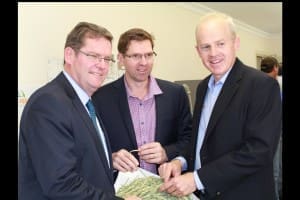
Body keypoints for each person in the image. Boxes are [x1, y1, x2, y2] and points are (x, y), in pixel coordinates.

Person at [158, 12, 282, 200]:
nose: (213, 53)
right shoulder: (202, 87)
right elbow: (200, 140)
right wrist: (180, 161)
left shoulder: (262, 85)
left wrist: (198, 178)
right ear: (198, 51)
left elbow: (259, 151)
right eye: (206, 47)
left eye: (220, 44)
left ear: (236, 43)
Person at [18, 22, 140, 200]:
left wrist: (108, 160)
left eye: (107, 59)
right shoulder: (48, 103)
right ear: (69, 55)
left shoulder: (85, 101)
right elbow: (61, 184)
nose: (102, 65)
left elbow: (80, 156)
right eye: (93, 56)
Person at [92, 28, 192, 175]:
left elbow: (190, 140)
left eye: (148, 55)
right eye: (136, 56)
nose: (144, 62)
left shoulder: (176, 94)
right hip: (122, 192)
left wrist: (167, 153)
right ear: (121, 59)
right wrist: (110, 158)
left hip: (167, 187)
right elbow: (91, 147)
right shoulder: (100, 98)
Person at [261, 56, 282, 200]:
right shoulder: (271, 84)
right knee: (274, 170)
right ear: (275, 68)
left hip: (262, 133)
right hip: (273, 132)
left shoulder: (254, 82)